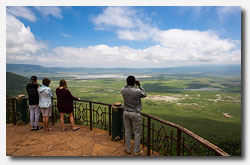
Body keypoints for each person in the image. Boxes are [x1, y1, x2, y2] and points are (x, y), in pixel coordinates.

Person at [121, 75, 147, 156]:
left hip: (126, 112)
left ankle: (128, 149)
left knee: (127, 131)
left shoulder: (123, 90)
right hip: (135, 113)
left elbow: (126, 87)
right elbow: (145, 94)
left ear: (126, 82)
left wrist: (130, 83)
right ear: (134, 82)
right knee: (137, 133)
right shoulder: (137, 91)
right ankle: (136, 151)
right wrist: (139, 85)